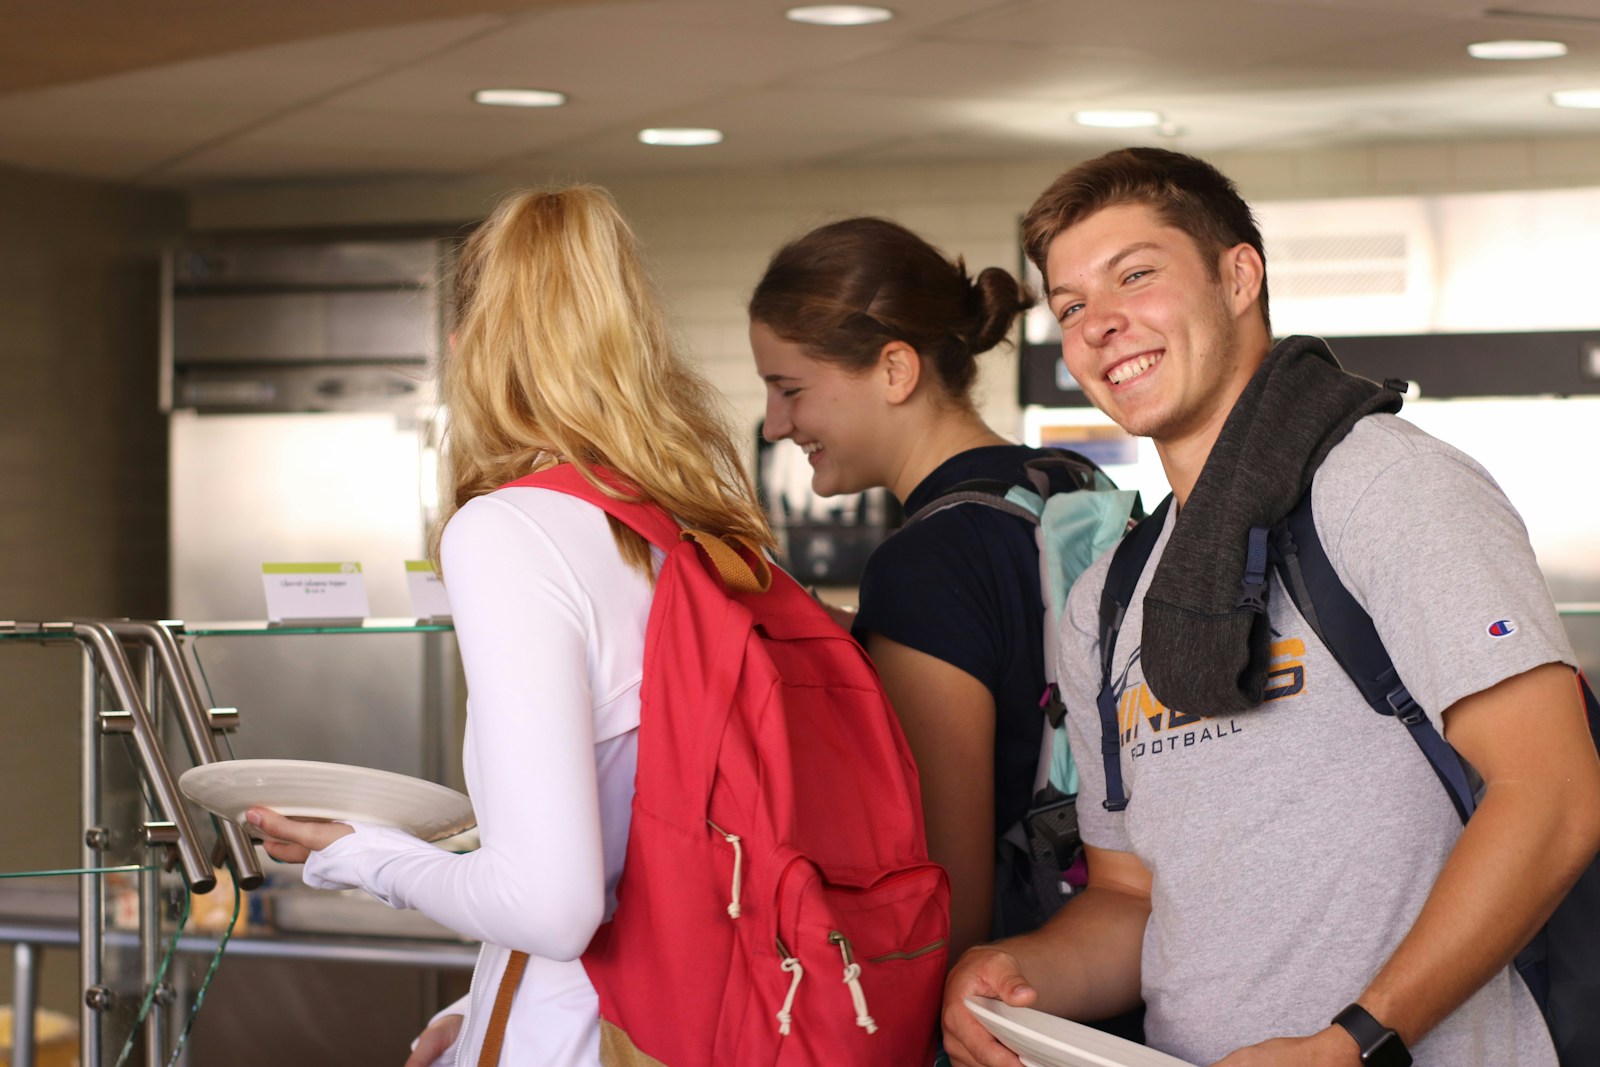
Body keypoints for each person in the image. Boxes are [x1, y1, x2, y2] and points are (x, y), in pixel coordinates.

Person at [941, 146, 1600, 1067]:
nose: (1101, 326)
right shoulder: (1109, 597)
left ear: (1238, 274)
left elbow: (1554, 796)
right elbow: (1133, 898)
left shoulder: (1385, 486)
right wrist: (1016, 972)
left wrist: (1353, 1039)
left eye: (1136, 275)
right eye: (1073, 305)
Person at [248, 186, 775, 1067]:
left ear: (470, 351)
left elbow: (555, 906)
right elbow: (648, 858)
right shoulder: (698, 528)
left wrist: (362, 855)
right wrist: (488, 994)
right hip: (705, 1017)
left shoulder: (510, 530)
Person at [750, 216, 1081, 966]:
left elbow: (941, 899)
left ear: (896, 370)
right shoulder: (1066, 483)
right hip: (1113, 954)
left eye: (790, 388)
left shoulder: (924, 562)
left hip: (1007, 992)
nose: (775, 425)